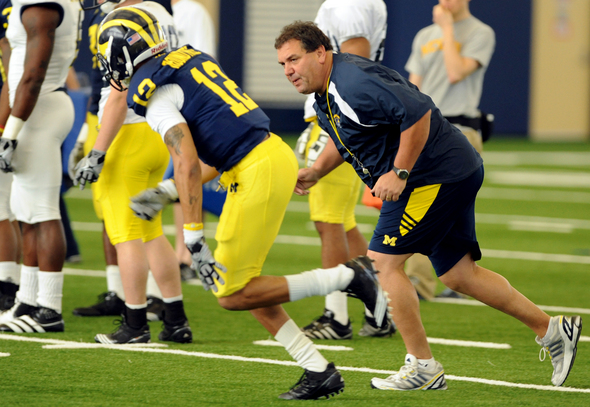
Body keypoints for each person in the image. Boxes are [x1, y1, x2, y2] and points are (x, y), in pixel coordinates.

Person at [79, 9, 388, 399]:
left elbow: (188, 162)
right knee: (250, 286)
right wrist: (167, 191)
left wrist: (193, 240)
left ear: (123, 50)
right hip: (260, 158)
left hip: (256, 169)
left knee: (230, 293)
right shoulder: (187, 59)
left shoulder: (152, 90)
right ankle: (317, 369)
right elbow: (219, 144)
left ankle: (348, 277)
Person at [275, 21, 581, 389]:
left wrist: (400, 171)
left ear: (320, 52)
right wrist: (316, 171)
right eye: (282, 64)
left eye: (294, 59)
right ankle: (551, 330)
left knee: (384, 264)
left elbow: (417, 113)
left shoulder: (352, 83)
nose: (289, 70)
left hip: (432, 175)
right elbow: (348, 138)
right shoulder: (327, 90)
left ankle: (423, 366)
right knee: (458, 275)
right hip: (449, 169)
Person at [72, 0, 195, 345]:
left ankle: (135, 323)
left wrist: (97, 151)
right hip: (157, 128)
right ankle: (175, 319)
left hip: (126, 133)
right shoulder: (163, 14)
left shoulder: (120, 20)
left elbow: (116, 94)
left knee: (126, 235)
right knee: (151, 231)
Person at [297, 0, 395, 341]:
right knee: (344, 222)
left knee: (329, 222)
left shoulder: (348, 5)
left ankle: (336, 316)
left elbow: (356, 69)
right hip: (342, 119)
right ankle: (380, 307)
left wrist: (335, 124)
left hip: (337, 118)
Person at [403, 0, 496, 300]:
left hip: (461, 131)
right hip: (426, 130)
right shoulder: (423, 35)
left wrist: (446, 29)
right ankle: (418, 281)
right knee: (416, 205)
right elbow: (413, 89)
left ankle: (461, 277)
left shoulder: (481, 33)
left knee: (456, 212)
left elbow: (456, 72)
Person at [0, 0, 81, 333]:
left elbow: (33, 75)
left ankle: (49, 308)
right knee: (26, 210)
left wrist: (12, 131)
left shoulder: (42, 3)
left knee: (44, 211)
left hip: (39, 107)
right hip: (34, 107)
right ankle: (28, 301)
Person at [0, 0, 22, 312]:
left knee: (3, 208)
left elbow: (11, 73)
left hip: (8, 112)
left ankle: (7, 285)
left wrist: (2, 123)